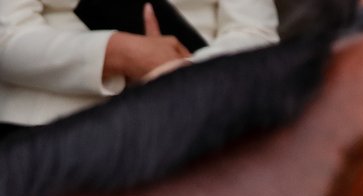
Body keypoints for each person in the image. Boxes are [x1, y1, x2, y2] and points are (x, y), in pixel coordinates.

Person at [0, 0, 279, 134]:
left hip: (193, 118)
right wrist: (117, 53)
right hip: (53, 131)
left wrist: (184, 71)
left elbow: (257, 33)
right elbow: (7, 37)